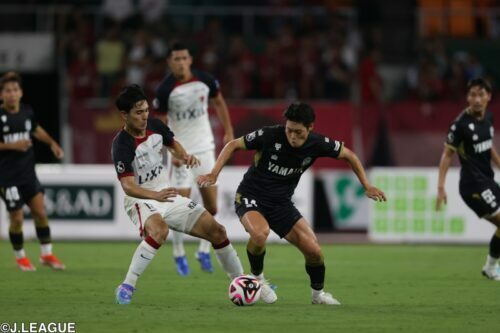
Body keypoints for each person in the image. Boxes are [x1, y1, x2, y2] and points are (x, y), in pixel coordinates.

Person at [198, 102, 386, 305]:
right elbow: (233, 144)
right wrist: (214, 173)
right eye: (289, 130)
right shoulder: (270, 135)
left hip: (280, 204)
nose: (292, 137)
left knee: (314, 251)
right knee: (260, 234)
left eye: (298, 132)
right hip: (251, 195)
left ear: (310, 127)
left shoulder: (317, 143)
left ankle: (318, 295)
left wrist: (367, 185)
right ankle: (258, 280)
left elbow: (349, 155)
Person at [112, 84, 243, 305]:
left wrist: (184, 155)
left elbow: (172, 143)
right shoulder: (121, 144)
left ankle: (242, 281)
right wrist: (155, 196)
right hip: (141, 199)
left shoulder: (155, 126)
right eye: (138, 112)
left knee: (218, 231)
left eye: (145, 110)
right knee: (160, 231)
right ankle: (128, 284)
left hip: (167, 195)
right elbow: (128, 186)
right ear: (124, 115)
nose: (144, 116)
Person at [154, 42, 234, 276]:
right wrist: (173, 152)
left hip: (205, 149)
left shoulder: (205, 80)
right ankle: (178, 253)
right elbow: (161, 124)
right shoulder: (165, 90)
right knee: (180, 206)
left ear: (190, 60)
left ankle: (203, 249)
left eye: (184, 58)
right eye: (176, 59)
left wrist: (229, 130)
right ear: (170, 62)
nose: (180, 62)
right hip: (181, 153)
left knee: (211, 206)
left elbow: (219, 102)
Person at [0, 72, 65, 271]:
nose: (12, 94)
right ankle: (20, 256)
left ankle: (47, 254)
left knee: (40, 212)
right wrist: (13, 146)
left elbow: (37, 130)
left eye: (15, 90)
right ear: (1, 95)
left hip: (28, 175)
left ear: (21, 93)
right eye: (8, 91)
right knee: (17, 218)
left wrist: (52, 143)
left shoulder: (27, 112)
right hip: (7, 177)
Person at [436, 78, 500, 280]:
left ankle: (490, 268)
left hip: (488, 181)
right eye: (473, 94)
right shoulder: (460, 125)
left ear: (488, 97)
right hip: (472, 186)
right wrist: (440, 187)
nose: (477, 99)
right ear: (467, 97)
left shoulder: (488, 118)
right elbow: (447, 155)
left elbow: (489, 147)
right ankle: (490, 267)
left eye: (481, 94)